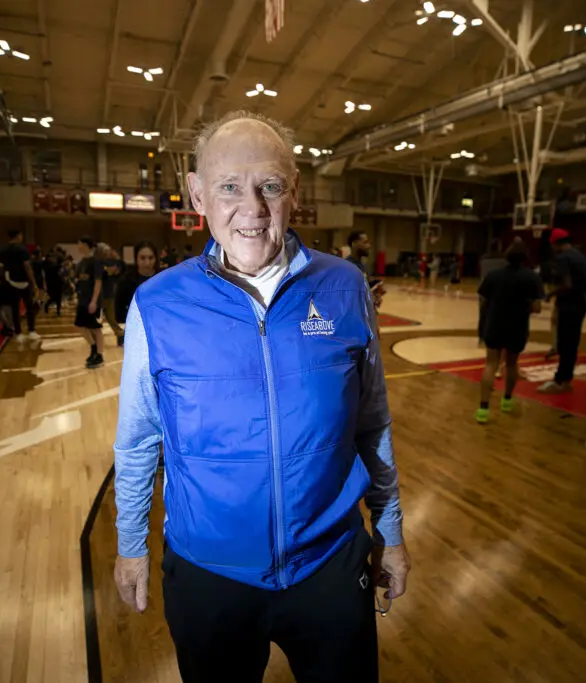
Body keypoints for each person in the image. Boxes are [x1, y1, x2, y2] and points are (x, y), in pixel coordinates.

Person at [113, 110, 409, 683]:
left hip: (329, 565)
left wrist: (390, 532)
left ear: (293, 192)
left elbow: (372, 425)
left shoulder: (344, 287)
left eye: (269, 185)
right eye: (228, 186)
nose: (251, 207)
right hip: (208, 577)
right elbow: (138, 439)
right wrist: (131, 545)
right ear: (197, 194)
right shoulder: (158, 303)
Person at [475, 241, 544, 424]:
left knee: (491, 363)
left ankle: (483, 408)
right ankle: (506, 400)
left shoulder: (493, 275)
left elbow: (483, 301)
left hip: (495, 324)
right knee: (512, 364)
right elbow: (537, 307)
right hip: (518, 325)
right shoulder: (532, 278)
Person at [539, 229, 586, 394]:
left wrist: (550, 294)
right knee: (572, 344)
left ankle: (560, 380)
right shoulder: (580, 256)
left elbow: (567, 285)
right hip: (581, 304)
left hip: (568, 305)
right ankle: (566, 379)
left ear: (555, 243)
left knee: (564, 344)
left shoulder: (563, 258)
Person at [0, 229, 40, 341]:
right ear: (18, 236)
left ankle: (18, 333)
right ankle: (31, 331)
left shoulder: (3, 250)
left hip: (9, 281)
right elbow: (27, 266)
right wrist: (34, 282)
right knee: (29, 307)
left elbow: (0, 266)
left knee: (15, 308)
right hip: (23, 281)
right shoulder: (22, 249)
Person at [75, 237, 105, 368]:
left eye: (79, 243)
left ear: (86, 245)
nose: (78, 246)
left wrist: (94, 301)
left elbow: (98, 282)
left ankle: (99, 355)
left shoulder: (95, 262)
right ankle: (93, 347)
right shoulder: (81, 262)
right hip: (82, 299)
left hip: (93, 300)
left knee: (96, 328)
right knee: (80, 325)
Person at [114, 241, 157, 328]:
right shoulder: (125, 281)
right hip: (134, 327)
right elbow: (119, 311)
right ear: (136, 258)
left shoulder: (163, 279)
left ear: (156, 258)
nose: (147, 262)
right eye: (142, 258)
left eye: (150, 258)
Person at [347, 230, 385, 310]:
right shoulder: (348, 266)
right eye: (365, 242)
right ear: (354, 244)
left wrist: (376, 291)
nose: (369, 246)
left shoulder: (362, 265)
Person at [99, 243, 126, 346]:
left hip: (106, 294)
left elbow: (119, 271)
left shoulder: (109, 263)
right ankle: (120, 334)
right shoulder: (102, 263)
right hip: (104, 293)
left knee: (109, 318)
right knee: (109, 318)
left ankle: (121, 334)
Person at [43, 251, 65, 316]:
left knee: (59, 297)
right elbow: (53, 268)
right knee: (53, 297)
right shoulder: (46, 265)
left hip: (57, 283)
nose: (53, 259)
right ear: (48, 258)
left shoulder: (53, 264)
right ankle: (46, 306)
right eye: (51, 257)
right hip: (51, 283)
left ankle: (58, 311)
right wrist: (61, 265)